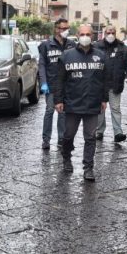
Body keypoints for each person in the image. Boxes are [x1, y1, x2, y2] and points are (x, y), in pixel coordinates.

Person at [53, 25, 109, 181]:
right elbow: (59, 80)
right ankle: (66, 158)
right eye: (82, 34)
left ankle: (88, 168)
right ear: (77, 35)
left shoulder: (101, 56)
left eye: (88, 34)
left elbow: (105, 80)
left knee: (90, 137)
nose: (85, 36)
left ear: (93, 36)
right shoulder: (66, 56)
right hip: (72, 103)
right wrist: (58, 100)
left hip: (93, 103)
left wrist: (104, 99)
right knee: (68, 135)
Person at [38, 18, 75, 150]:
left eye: (67, 28)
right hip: (51, 85)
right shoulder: (46, 45)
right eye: (63, 28)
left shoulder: (71, 45)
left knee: (63, 113)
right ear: (56, 29)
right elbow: (42, 65)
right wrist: (43, 83)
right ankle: (46, 140)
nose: (66, 31)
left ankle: (61, 139)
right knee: (49, 112)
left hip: (66, 86)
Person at [94, 25, 127, 143]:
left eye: (113, 32)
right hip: (100, 84)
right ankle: (99, 131)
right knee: (100, 109)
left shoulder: (123, 48)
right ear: (104, 33)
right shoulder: (96, 47)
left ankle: (118, 132)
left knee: (115, 108)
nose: (110, 34)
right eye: (108, 32)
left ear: (116, 33)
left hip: (115, 84)